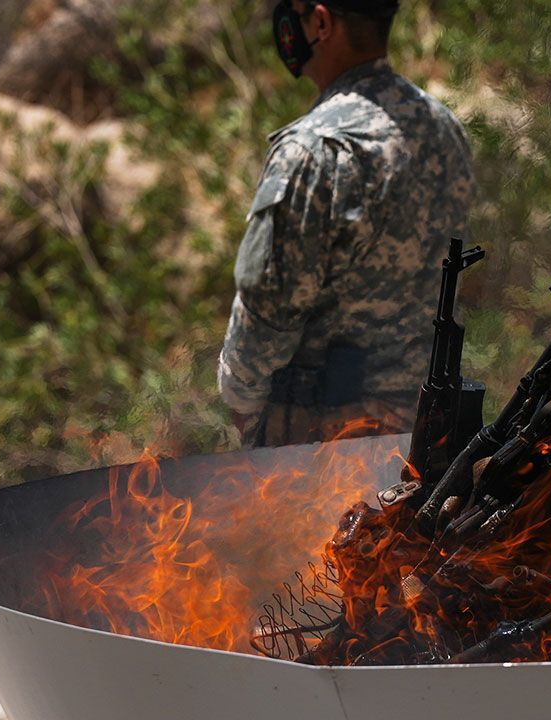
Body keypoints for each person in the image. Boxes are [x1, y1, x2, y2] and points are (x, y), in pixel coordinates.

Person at [218, 0, 475, 446]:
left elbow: (268, 306)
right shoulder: (444, 129)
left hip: (316, 445)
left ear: (320, 22)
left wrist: (241, 399)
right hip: (419, 431)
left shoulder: (312, 149)